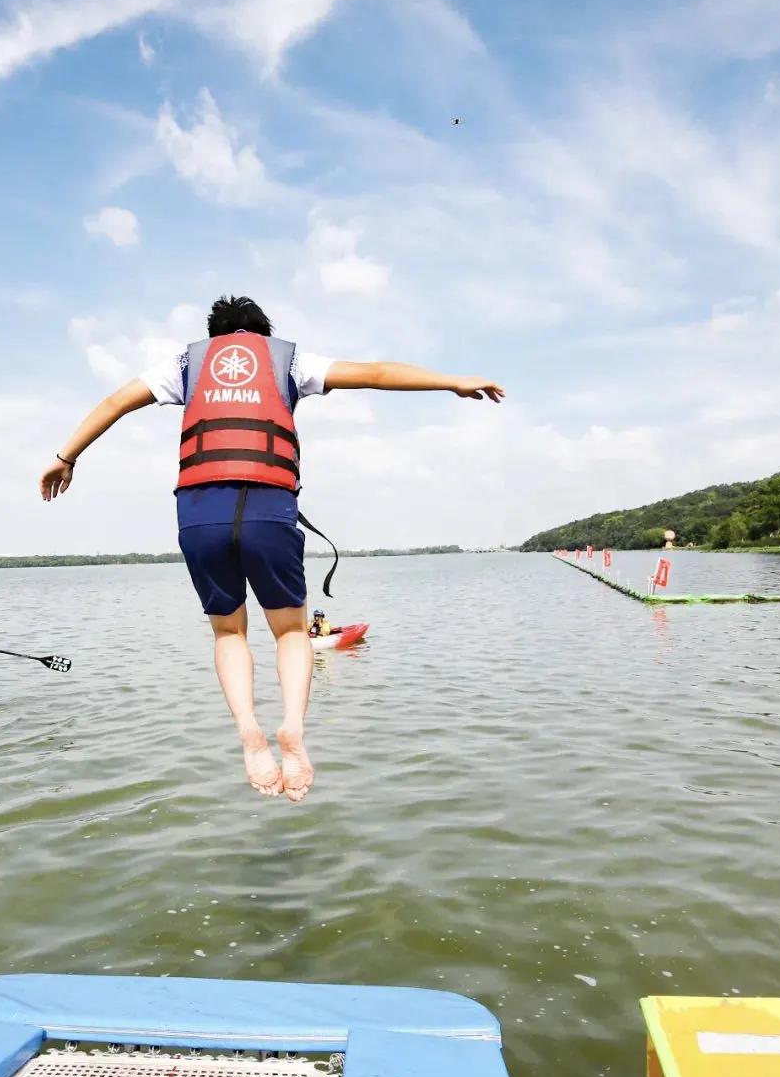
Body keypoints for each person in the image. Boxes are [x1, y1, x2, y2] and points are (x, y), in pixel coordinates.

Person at [40, 295, 504, 802]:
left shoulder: (183, 364)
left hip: (200, 510)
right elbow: (373, 372)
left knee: (228, 634)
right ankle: (291, 728)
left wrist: (66, 457)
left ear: (215, 334)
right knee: (288, 631)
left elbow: (113, 402)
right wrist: (452, 381)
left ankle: (248, 731)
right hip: (268, 505)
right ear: (263, 333)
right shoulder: (290, 360)